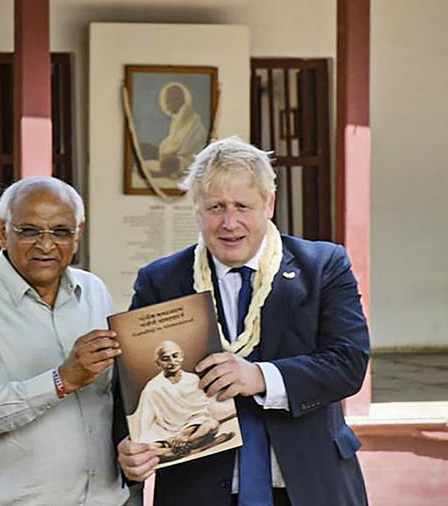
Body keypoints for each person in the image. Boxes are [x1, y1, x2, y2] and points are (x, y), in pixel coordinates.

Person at [117, 137, 370, 506]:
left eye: (242, 206)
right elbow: (132, 385)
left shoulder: (322, 266)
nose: (229, 222)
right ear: (197, 211)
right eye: (215, 207)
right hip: (199, 491)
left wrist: (260, 377)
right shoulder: (162, 280)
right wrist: (127, 446)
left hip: (308, 486)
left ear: (269, 204)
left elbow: (349, 364)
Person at [0, 176, 130, 506]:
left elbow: (113, 396)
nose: (46, 245)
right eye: (30, 230)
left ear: (77, 235)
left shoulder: (93, 292)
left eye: (60, 231)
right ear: (3, 232)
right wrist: (60, 381)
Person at [130, 340, 233, 462]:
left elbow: (201, 412)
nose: (172, 362)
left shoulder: (192, 380)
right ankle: (194, 449)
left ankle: (175, 451)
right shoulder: (152, 388)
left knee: (211, 425)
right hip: (166, 433)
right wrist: (170, 439)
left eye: (175, 356)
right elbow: (147, 421)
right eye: (165, 359)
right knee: (149, 449)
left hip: (191, 430)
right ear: (158, 364)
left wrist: (184, 434)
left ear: (182, 356)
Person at [154, 81, 208, 180]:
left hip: (189, 162)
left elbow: (188, 149)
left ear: (180, 100)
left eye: (170, 101)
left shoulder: (192, 120)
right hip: (177, 162)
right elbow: (172, 142)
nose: (167, 106)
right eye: (166, 102)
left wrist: (172, 157)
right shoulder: (177, 120)